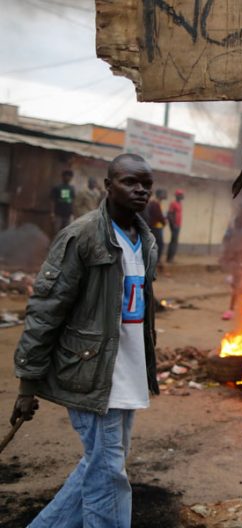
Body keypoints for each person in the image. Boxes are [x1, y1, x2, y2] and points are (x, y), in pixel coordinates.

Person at [11, 153, 159, 527]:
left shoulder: (144, 237)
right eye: (130, 182)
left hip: (128, 371)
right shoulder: (81, 235)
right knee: (108, 476)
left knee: (102, 465)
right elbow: (46, 307)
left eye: (146, 184)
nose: (140, 190)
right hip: (92, 370)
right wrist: (28, 382)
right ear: (108, 187)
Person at [146, 189, 168, 265]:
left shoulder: (156, 203)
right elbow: (158, 215)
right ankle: (156, 261)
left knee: (157, 244)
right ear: (159, 195)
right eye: (163, 194)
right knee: (159, 244)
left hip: (157, 226)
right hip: (155, 227)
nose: (165, 195)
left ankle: (155, 260)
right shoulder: (155, 203)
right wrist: (164, 221)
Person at [166, 189, 184, 263]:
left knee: (174, 241)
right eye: (180, 195)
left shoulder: (180, 204)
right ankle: (170, 258)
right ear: (177, 196)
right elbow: (170, 214)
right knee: (173, 241)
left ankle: (171, 257)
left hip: (178, 225)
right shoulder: (173, 203)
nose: (182, 196)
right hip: (174, 225)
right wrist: (173, 225)